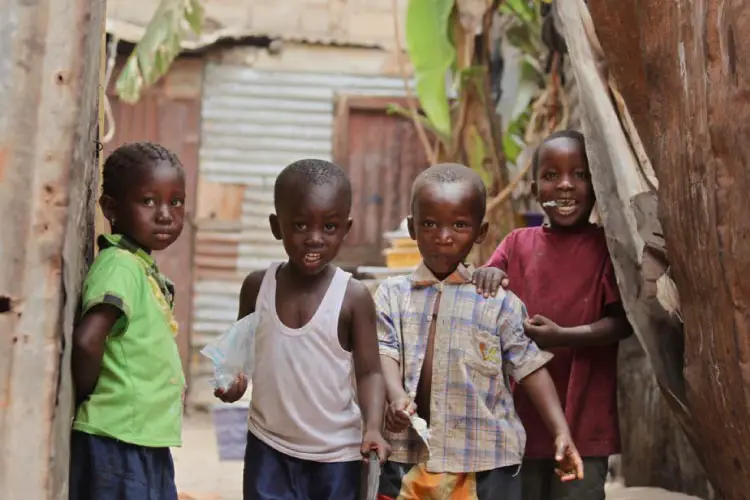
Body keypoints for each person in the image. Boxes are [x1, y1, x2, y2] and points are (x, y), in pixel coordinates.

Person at [375, 163, 584, 500]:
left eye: (459, 225)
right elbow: (384, 351)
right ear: (413, 228)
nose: (444, 236)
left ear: (480, 231)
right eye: (430, 224)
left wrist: (562, 431)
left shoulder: (498, 302)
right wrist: (396, 396)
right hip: (408, 457)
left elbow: (530, 368)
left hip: (486, 459)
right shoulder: (392, 294)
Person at [216, 159, 390, 500]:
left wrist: (372, 427)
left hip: (335, 456)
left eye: (329, 227)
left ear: (346, 228)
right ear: (276, 226)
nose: (314, 239)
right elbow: (236, 357)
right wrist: (231, 382)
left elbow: (370, 372)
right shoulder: (257, 287)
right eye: (299, 225)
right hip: (268, 446)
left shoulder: (353, 297)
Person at [473, 130, 632, 500]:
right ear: (534, 187)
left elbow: (623, 323)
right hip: (520, 420)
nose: (565, 185)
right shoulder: (516, 244)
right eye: (551, 175)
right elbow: (484, 282)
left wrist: (563, 336)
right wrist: (491, 273)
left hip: (584, 418)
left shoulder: (607, 247)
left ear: (597, 187)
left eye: (579, 175)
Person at [69, 142, 187, 500]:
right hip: (117, 438)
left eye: (176, 201)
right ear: (111, 209)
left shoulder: (139, 266)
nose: (165, 214)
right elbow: (89, 340)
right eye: (148, 201)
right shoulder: (120, 265)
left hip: (142, 437)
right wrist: (89, 395)